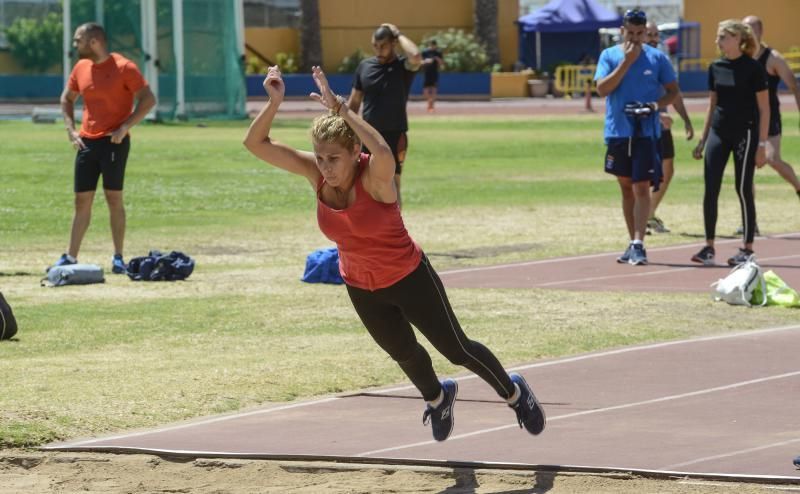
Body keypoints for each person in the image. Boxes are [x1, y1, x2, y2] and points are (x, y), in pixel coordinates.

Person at [244, 65, 546, 442]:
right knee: (403, 353)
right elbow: (255, 145)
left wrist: (343, 109)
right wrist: (274, 103)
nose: (325, 166)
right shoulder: (316, 173)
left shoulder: (375, 175)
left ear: (355, 151)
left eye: (333, 158)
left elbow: (383, 150)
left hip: (408, 277)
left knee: (456, 349)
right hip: (360, 285)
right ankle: (438, 398)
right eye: (320, 158)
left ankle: (515, 394)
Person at [51, 23, 156, 274]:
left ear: (94, 41)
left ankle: (118, 257)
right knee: (81, 201)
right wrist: (71, 129)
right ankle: (70, 256)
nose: (75, 44)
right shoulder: (81, 68)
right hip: (86, 142)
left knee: (113, 198)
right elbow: (67, 99)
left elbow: (148, 99)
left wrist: (125, 127)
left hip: (114, 142)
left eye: (79, 40)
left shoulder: (124, 67)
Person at [594, 9, 678, 266]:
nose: (635, 37)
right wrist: (627, 62)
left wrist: (653, 106)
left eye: (639, 33)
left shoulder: (657, 58)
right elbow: (602, 89)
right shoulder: (609, 56)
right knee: (626, 187)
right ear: (622, 31)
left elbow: (672, 92)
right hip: (619, 131)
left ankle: (639, 243)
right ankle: (632, 242)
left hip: (646, 132)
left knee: (642, 186)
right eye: (630, 32)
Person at [691, 20, 769, 267]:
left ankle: (747, 248)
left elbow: (764, 109)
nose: (718, 41)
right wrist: (703, 140)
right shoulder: (715, 67)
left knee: (743, 188)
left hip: (745, 134)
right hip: (718, 132)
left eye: (722, 37)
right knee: (710, 187)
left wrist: (762, 145)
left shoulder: (753, 68)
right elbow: (712, 104)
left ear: (737, 38)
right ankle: (709, 247)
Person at [347, 23, 421, 209]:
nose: (378, 49)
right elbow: (355, 101)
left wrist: (398, 33)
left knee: (393, 184)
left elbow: (416, 56)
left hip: (395, 135)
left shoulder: (402, 67)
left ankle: (394, 231)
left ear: (393, 44)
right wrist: (343, 126)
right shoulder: (365, 67)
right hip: (367, 134)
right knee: (362, 181)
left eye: (383, 45)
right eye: (375, 45)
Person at [738, 16, 800, 234]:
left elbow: (794, 85)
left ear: (761, 31)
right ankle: (750, 221)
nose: (748, 32)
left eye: (752, 28)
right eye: (744, 28)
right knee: (746, 169)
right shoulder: (740, 57)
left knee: (773, 159)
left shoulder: (773, 58)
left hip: (769, 117)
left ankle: (798, 187)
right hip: (746, 118)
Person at [644, 21, 694, 234]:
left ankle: (649, 214)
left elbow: (674, 91)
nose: (654, 38)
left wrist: (686, 119)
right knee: (644, 174)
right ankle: (641, 216)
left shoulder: (662, 60)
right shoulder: (634, 62)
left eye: (657, 34)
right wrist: (654, 116)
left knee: (667, 171)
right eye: (650, 34)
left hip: (663, 125)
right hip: (643, 126)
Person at [421, 39, 445, 113]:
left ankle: (432, 106)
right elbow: (420, 61)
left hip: (434, 73)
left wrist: (437, 59)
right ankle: (429, 102)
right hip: (426, 73)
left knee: (434, 89)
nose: (432, 47)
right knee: (425, 90)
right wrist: (426, 61)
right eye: (431, 45)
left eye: (434, 45)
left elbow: (442, 63)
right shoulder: (425, 52)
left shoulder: (438, 53)